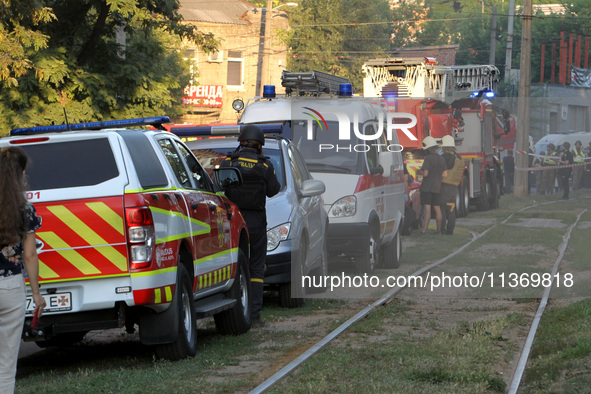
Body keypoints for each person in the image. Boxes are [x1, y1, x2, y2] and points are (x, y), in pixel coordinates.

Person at [221, 125, 280, 328]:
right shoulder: (265, 166)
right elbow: (273, 191)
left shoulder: (229, 161)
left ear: (241, 142)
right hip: (255, 223)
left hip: (234, 221)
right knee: (256, 269)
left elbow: (218, 185)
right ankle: (254, 316)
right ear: (260, 145)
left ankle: (234, 312)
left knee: (235, 267)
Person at [0, 147, 45, 394]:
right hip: (10, 288)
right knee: (6, 364)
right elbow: (29, 255)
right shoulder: (25, 210)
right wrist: (36, 294)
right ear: (22, 174)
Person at [418, 136, 447, 235]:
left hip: (427, 187)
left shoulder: (428, 158)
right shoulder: (442, 159)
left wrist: (420, 172)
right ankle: (439, 230)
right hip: (437, 187)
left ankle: (424, 230)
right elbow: (445, 174)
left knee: (427, 209)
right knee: (437, 208)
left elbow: (425, 173)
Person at [439, 135, 463, 235]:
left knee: (442, 209)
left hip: (443, 186)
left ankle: (442, 229)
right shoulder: (459, 158)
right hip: (453, 187)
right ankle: (450, 230)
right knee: (451, 209)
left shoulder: (442, 158)